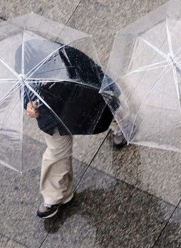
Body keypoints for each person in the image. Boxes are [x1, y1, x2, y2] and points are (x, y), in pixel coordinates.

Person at [21, 40, 114, 219]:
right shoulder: (24, 58)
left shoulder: (66, 55)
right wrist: (28, 104)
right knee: (56, 151)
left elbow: (95, 79)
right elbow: (23, 87)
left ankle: (120, 124)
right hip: (51, 116)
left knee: (105, 110)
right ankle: (55, 196)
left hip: (79, 98)